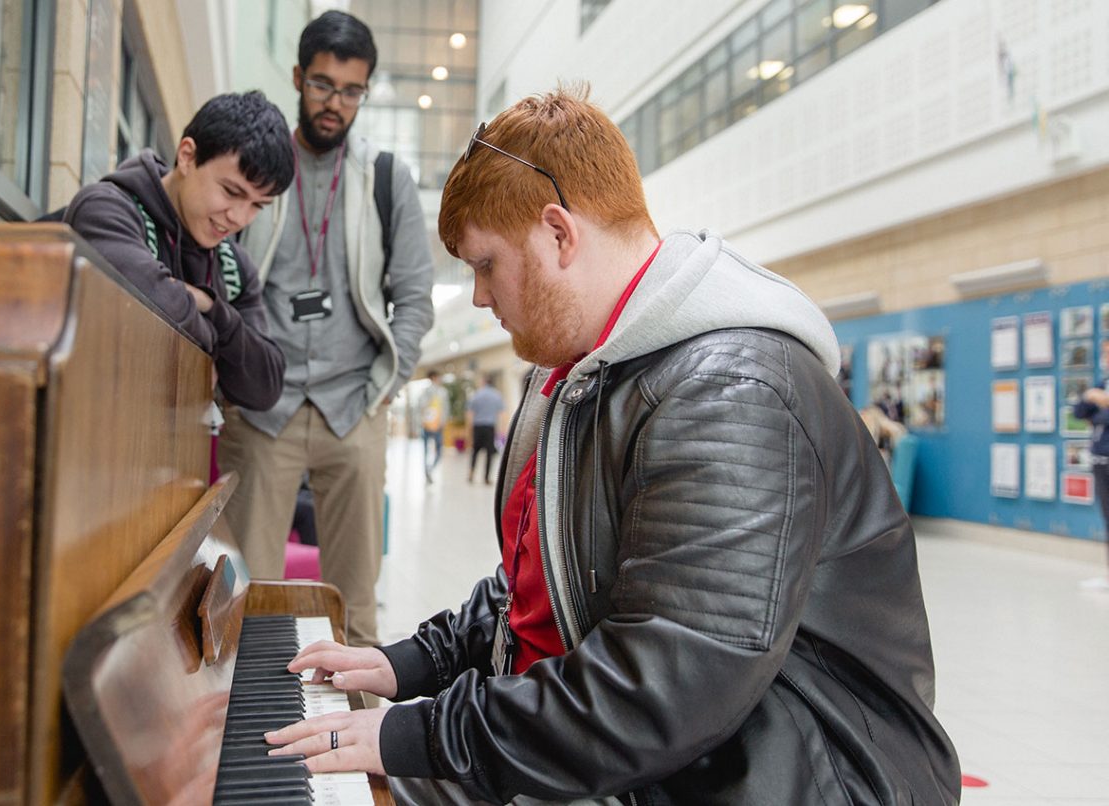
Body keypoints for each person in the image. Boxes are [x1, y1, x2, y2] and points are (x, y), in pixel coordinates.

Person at [263, 88, 960, 805]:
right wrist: (403, 665)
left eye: (485, 265)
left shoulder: (731, 393)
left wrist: (418, 735)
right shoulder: (585, 374)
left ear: (559, 234)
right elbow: (546, 581)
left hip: (785, 779)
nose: (478, 297)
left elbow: (663, 688)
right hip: (639, 755)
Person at [219, 10, 435, 648]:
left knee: (356, 606)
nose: (334, 103)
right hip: (263, 409)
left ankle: (361, 738)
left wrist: (385, 386)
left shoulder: (386, 178)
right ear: (297, 77)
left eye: (350, 91)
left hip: (353, 408)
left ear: (365, 90)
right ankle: (241, 737)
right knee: (240, 596)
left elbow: (415, 295)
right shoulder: (256, 169)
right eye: (321, 85)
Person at [63, 91, 291, 411]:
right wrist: (218, 346)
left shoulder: (235, 267)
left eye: (258, 206)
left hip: (168, 450)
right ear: (187, 156)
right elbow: (145, 313)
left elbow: (265, 386)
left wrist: (211, 308)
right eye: (231, 191)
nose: (239, 218)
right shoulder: (106, 209)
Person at [1073, 383, 1109, 590]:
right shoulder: (1101, 384)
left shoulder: (1101, 394)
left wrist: (1101, 404)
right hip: (1100, 462)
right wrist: (1090, 396)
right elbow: (1079, 412)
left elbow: (1097, 418)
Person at [466, 374, 504, 485]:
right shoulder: (497, 395)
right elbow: (501, 413)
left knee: (475, 451)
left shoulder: (476, 395)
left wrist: (468, 430)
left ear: (483, 382)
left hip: (477, 426)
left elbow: (470, 413)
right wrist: (501, 430)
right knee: (489, 453)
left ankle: (471, 473)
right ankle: (486, 478)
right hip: (490, 427)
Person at [418, 371, 448, 483]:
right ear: (434, 377)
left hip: (438, 425)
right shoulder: (426, 392)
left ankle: (429, 470)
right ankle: (427, 471)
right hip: (427, 425)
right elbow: (421, 407)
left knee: (439, 451)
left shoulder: (443, 392)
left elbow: (445, 408)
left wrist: (443, 421)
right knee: (426, 450)